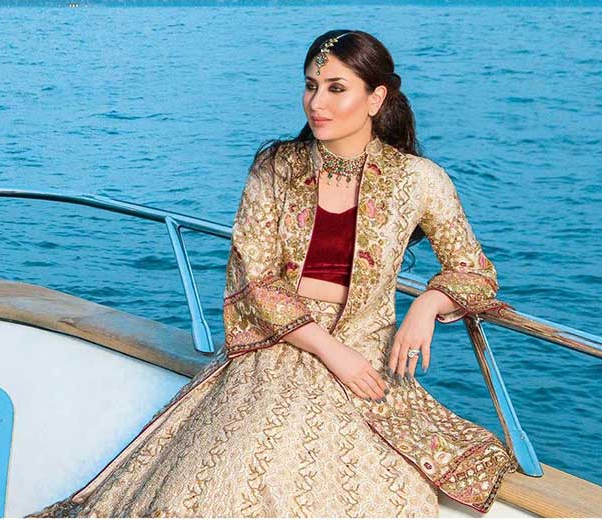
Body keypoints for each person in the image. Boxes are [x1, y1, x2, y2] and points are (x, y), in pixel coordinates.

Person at [26, 29, 517, 518]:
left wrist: (427, 304)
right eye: (310, 86)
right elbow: (256, 279)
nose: (316, 103)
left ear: (376, 98)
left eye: (336, 88)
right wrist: (332, 353)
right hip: (277, 343)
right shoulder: (276, 167)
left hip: (367, 350)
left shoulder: (419, 180)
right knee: (234, 471)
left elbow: (475, 271)